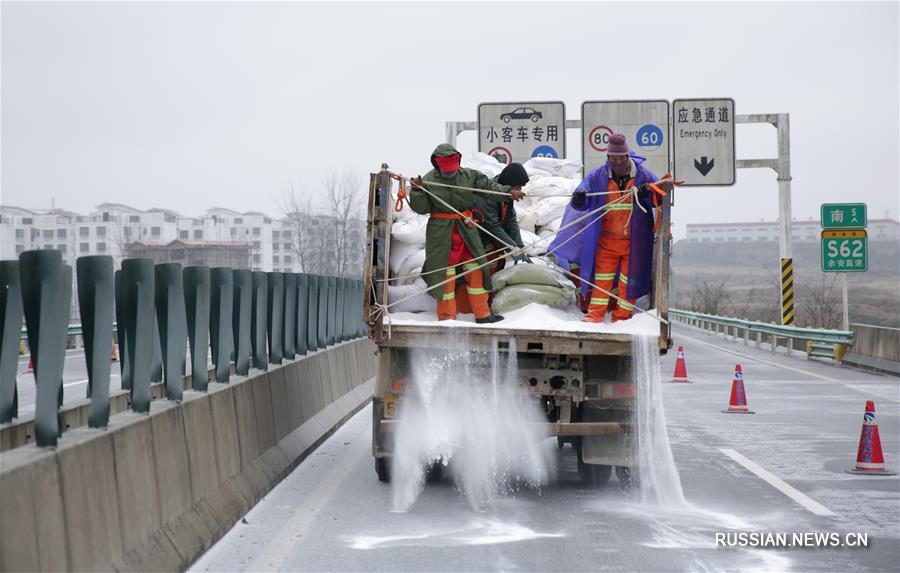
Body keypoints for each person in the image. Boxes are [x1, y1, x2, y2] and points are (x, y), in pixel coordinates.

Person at [549, 133, 671, 322]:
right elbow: (581, 200)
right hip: (606, 239)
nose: (616, 162)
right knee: (602, 279)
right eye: (612, 158)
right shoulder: (598, 176)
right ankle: (595, 314)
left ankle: (622, 316)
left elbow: (660, 198)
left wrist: (649, 192)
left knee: (627, 281)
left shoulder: (643, 176)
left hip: (634, 241)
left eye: (620, 158)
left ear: (627, 156)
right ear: (608, 157)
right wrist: (579, 199)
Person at [409, 143, 525, 323]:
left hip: (466, 228)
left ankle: (482, 314)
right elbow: (421, 208)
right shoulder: (428, 181)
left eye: (452, 169)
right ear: (437, 165)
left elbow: (488, 188)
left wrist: (508, 193)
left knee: (477, 268)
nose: (450, 172)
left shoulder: (470, 176)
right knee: (445, 275)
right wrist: (416, 191)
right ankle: (447, 318)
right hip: (442, 232)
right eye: (446, 170)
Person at [473, 162, 530, 273]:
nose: (520, 190)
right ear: (509, 184)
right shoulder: (488, 195)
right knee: (486, 265)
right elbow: (492, 226)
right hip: (477, 237)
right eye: (518, 187)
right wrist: (513, 248)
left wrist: (519, 246)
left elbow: (511, 221)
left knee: (497, 263)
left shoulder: (507, 196)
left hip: (490, 237)